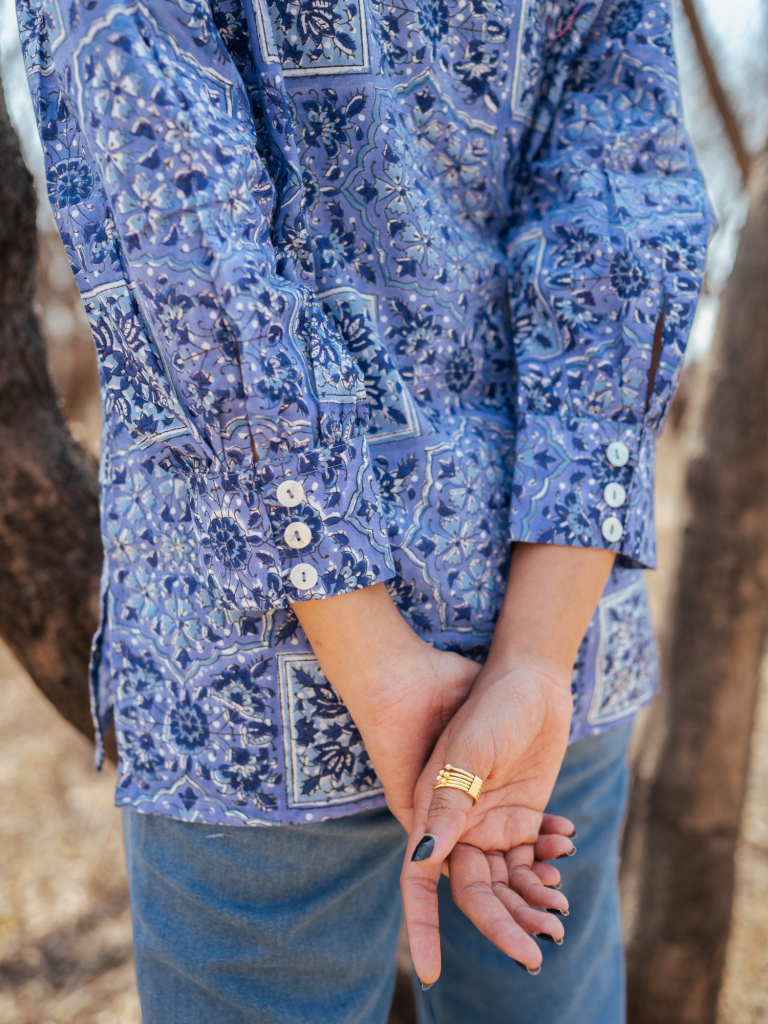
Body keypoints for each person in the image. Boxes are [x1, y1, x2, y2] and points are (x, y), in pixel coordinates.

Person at [15, 0, 712, 1017]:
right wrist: (528, 658)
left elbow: (181, 231)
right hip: (550, 671)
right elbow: (620, 228)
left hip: (257, 671)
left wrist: (379, 666)